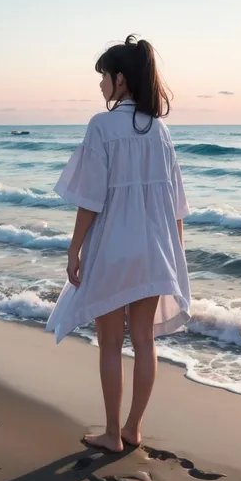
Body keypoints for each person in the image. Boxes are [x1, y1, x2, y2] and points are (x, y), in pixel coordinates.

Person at [46, 35, 191, 453]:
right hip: (155, 250)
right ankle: (133, 429)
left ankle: (112, 434)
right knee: (143, 340)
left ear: (121, 79)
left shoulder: (101, 126)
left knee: (110, 342)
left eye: (104, 77)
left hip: (114, 249)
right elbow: (174, 202)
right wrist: (175, 252)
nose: (100, 85)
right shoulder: (161, 131)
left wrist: (74, 249)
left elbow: (91, 198)